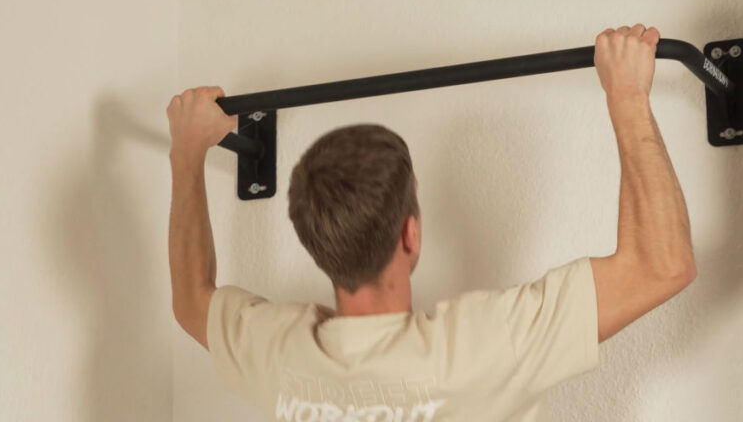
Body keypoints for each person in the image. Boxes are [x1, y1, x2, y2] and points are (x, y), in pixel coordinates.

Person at [166, 24, 696, 422]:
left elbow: (192, 298)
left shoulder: (277, 351)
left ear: (314, 240)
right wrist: (627, 95)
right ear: (409, 234)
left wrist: (188, 151)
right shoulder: (486, 344)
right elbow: (661, 265)